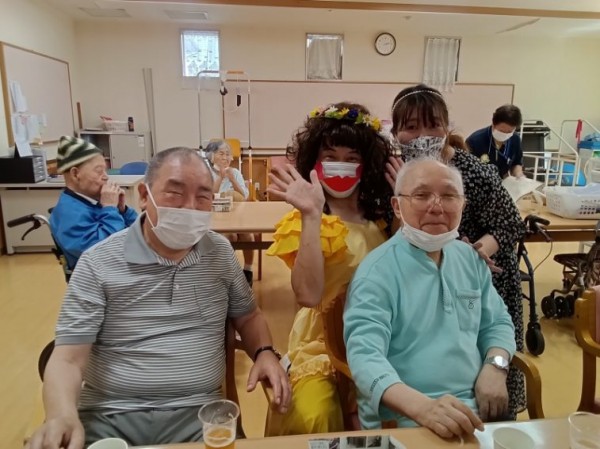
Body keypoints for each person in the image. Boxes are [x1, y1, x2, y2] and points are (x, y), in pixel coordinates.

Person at [26, 147, 291, 449]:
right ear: (144, 195)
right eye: (175, 193)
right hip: (108, 416)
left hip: (200, 416)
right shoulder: (97, 262)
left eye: (203, 196)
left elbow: (249, 315)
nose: (190, 207)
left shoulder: (219, 254)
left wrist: (265, 352)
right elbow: (67, 359)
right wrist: (60, 415)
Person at [344, 158, 516, 437]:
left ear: (463, 205)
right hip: (406, 420)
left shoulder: (470, 259)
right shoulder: (377, 273)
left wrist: (496, 366)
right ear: (397, 206)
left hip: (476, 413)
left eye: (449, 196)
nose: (437, 207)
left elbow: (497, 322)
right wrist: (423, 408)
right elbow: (365, 357)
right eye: (421, 195)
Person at [387, 84, 526, 420]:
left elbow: (509, 222)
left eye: (432, 125)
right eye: (411, 127)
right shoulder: (395, 172)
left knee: (485, 373)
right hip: (426, 279)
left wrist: (472, 254)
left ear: (446, 128)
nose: (422, 135)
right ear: (395, 133)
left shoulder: (471, 170)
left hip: (481, 280)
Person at [265, 102, 394, 435]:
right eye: (331, 156)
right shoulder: (305, 221)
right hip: (321, 344)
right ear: (315, 162)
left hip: (382, 339)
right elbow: (308, 295)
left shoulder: (383, 219)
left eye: (352, 158)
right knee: (316, 416)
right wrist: (312, 215)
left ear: (367, 164)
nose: (342, 166)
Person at [49, 135, 138, 270]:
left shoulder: (91, 202)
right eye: (99, 171)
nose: (106, 177)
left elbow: (139, 230)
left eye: (105, 170)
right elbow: (101, 250)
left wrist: (123, 211)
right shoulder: (68, 212)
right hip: (101, 274)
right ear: (75, 174)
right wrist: (110, 209)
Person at [205, 139, 255, 285]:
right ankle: (228, 271)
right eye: (221, 154)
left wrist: (233, 179)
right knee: (229, 236)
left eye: (228, 154)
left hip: (237, 215)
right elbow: (208, 197)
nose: (226, 158)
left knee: (247, 235)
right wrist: (221, 177)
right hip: (216, 217)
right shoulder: (207, 173)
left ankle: (247, 270)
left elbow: (245, 196)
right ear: (211, 156)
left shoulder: (235, 172)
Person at [466, 105, 524, 179]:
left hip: (503, 182)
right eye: (502, 131)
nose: (505, 134)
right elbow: (467, 170)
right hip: (479, 182)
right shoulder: (475, 140)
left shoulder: (515, 139)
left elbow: (516, 163)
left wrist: (519, 175)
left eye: (509, 131)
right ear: (493, 124)